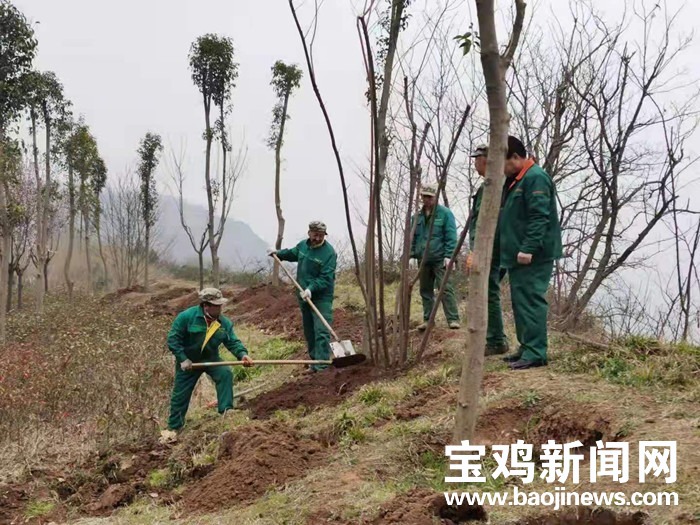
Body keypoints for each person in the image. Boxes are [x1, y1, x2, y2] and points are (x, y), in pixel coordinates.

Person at [499, 136, 562, 370]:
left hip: (534, 255)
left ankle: (536, 352)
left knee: (531, 301)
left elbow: (539, 217)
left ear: (515, 157)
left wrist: (528, 248)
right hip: (517, 255)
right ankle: (526, 347)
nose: (501, 170)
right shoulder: (516, 180)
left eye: (503, 163)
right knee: (520, 301)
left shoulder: (535, 178)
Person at [166, 288, 253, 431]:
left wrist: (242, 354)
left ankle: (226, 411)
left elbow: (232, 342)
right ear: (206, 305)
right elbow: (173, 340)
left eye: (220, 305)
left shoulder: (223, 323)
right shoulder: (186, 317)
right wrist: (182, 359)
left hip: (211, 359)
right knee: (180, 395)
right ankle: (174, 428)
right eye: (216, 306)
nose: (220, 308)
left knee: (225, 373)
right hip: (189, 362)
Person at [270, 221, 338, 373]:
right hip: (302, 294)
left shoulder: (329, 253)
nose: (317, 238)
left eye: (321, 236)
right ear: (309, 233)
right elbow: (292, 253)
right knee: (309, 331)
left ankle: (322, 366)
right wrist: (277, 253)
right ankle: (315, 362)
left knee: (321, 330)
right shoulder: (303, 246)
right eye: (315, 235)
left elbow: (326, 278)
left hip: (321, 297)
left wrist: (311, 289)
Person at [466, 144, 509, 355]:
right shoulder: (495, 184)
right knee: (489, 290)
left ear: (487, 160)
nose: (475, 163)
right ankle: (495, 336)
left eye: (477, 159)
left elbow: (486, 221)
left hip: (492, 247)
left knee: (489, 291)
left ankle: (496, 340)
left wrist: (478, 249)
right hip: (496, 245)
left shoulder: (494, 185)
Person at [410, 184, 460, 330]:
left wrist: (449, 255)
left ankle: (453, 319)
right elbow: (413, 238)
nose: (427, 200)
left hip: (440, 258)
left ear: (435, 197)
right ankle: (428, 320)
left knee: (445, 288)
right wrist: (412, 255)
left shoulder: (445, 214)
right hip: (423, 259)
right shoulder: (416, 217)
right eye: (424, 197)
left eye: (430, 197)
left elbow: (451, 236)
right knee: (425, 290)